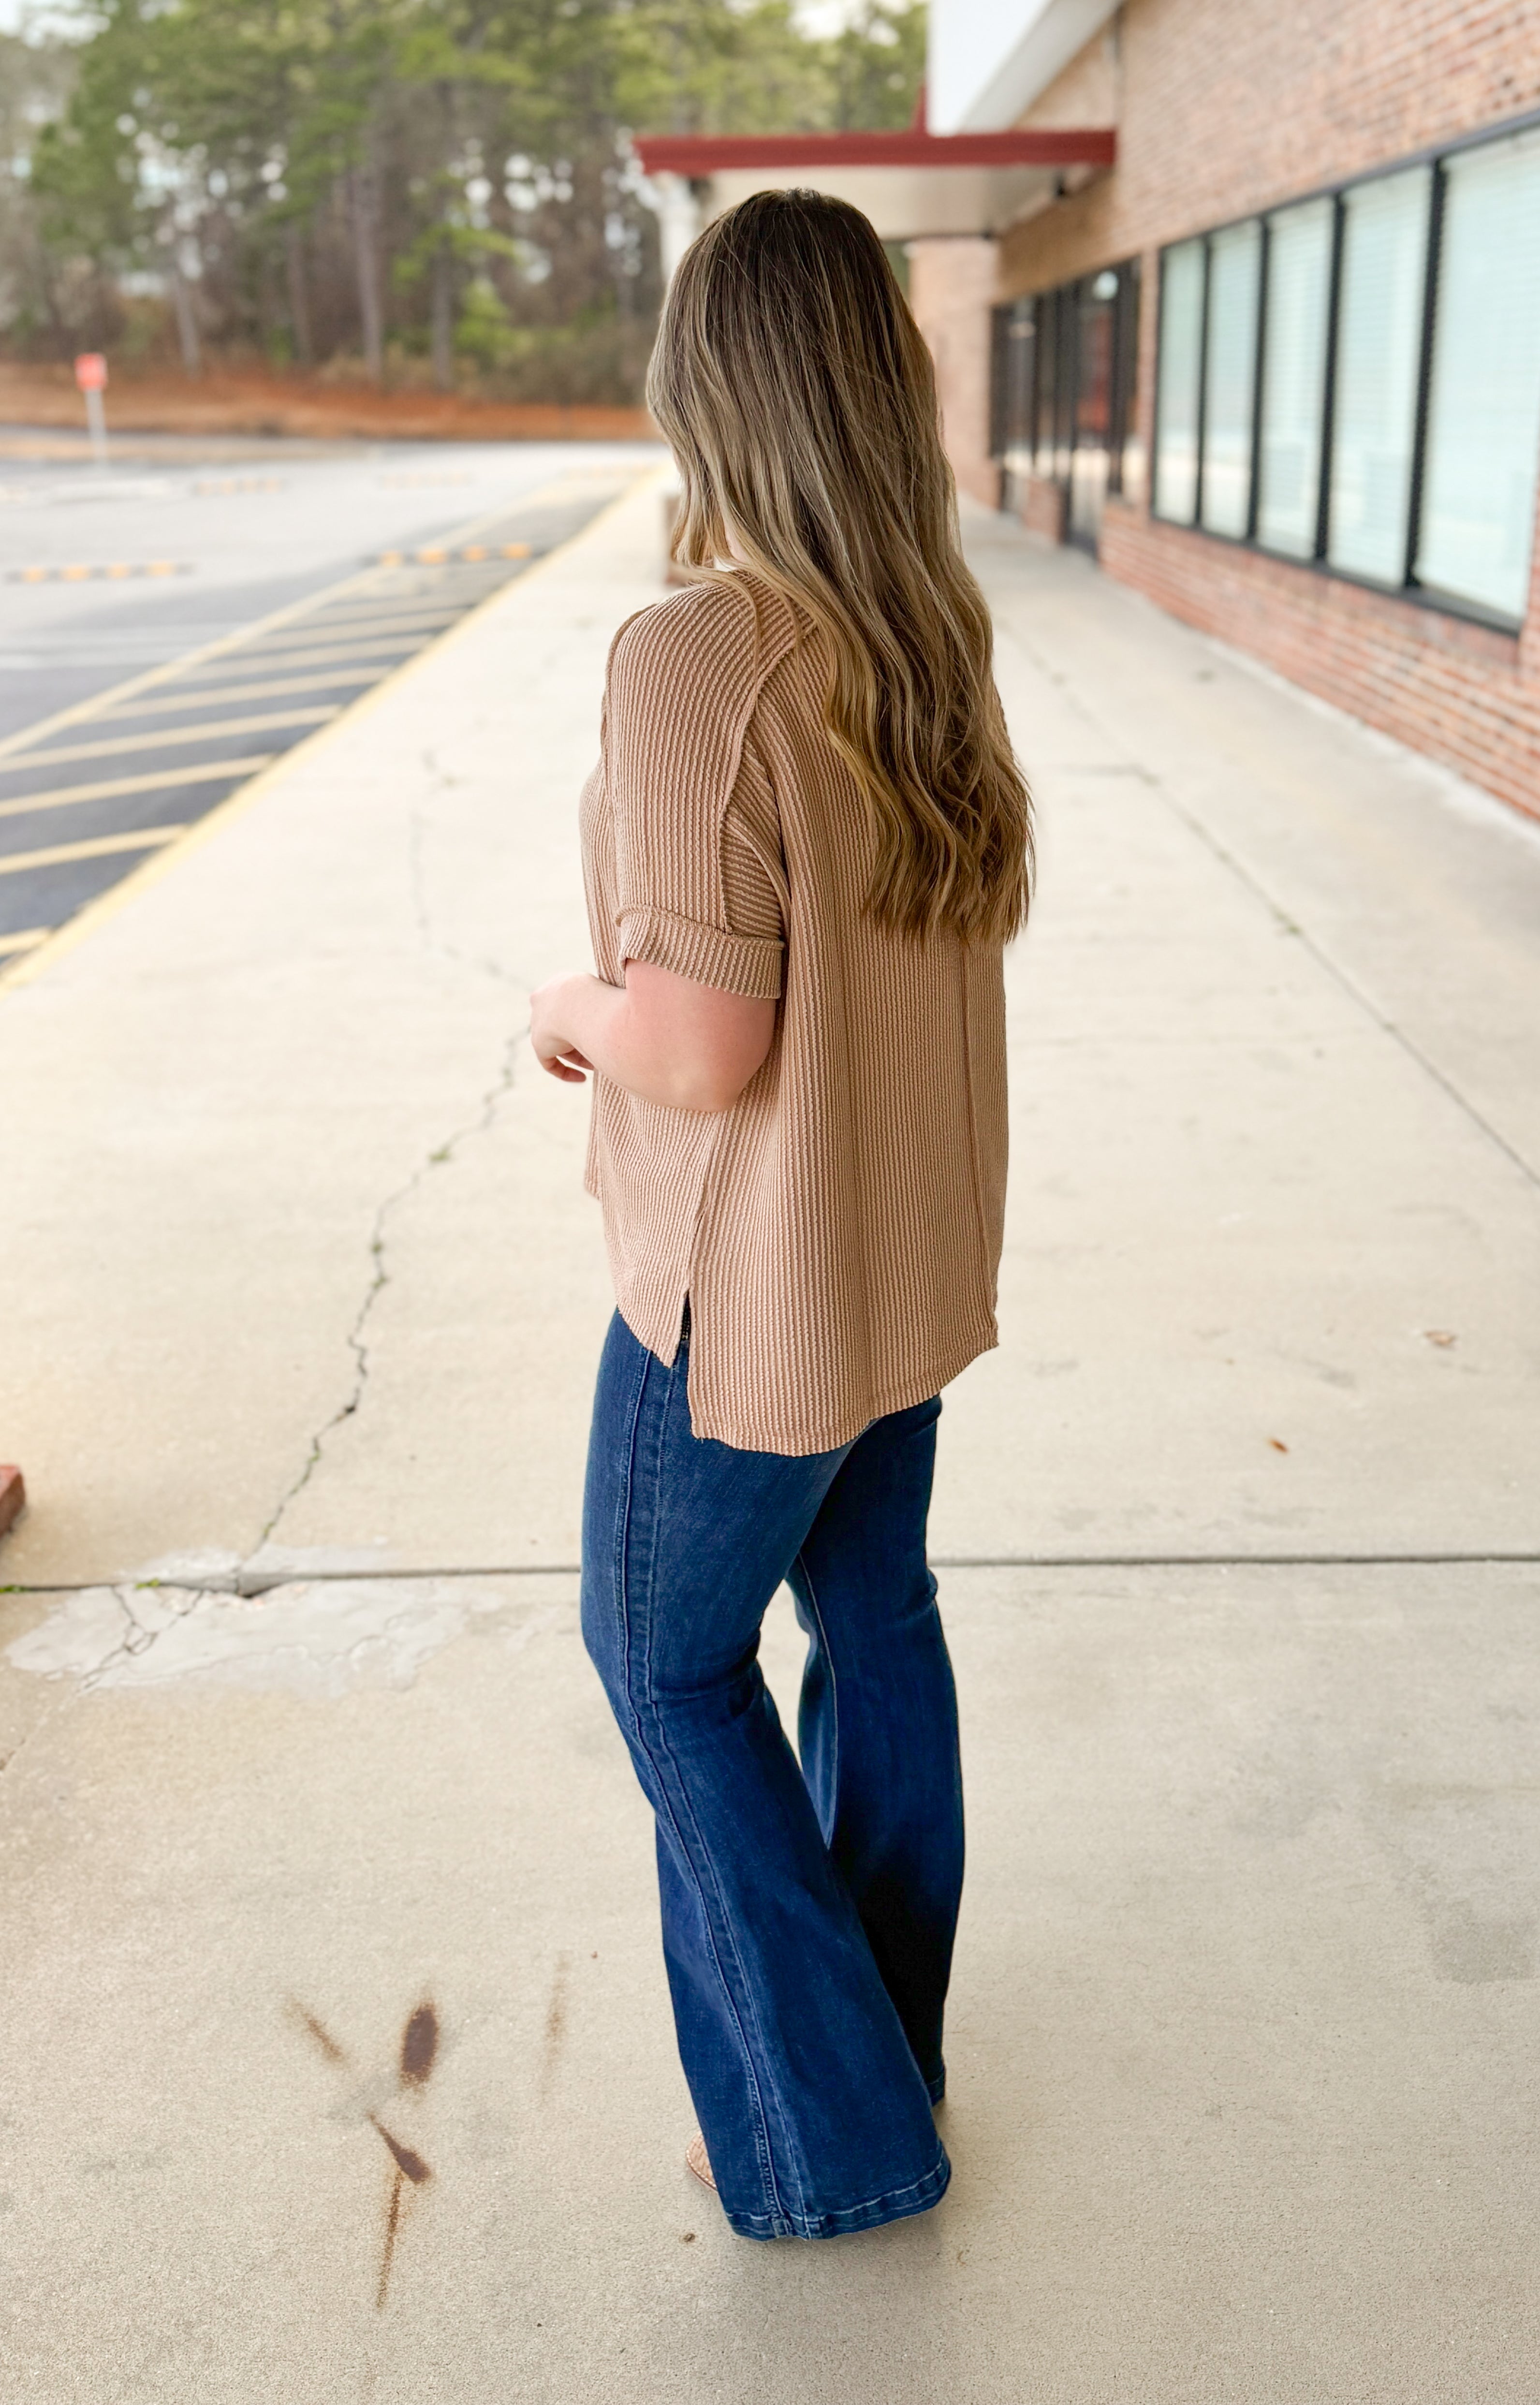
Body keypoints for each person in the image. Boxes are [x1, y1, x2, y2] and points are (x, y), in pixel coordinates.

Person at [528, 188, 1032, 2242]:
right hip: (904, 1256)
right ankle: (883, 2046)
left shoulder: (697, 652)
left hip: (746, 1302)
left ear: (707, 387)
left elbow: (703, 1039)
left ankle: (828, 2127)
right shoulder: (926, 635)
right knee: (876, 1621)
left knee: (662, 1661)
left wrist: (562, 1011)